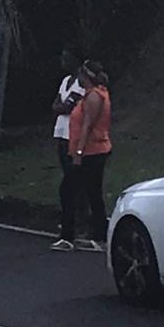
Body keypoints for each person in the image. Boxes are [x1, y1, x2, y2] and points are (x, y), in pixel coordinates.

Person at [50, 60, 111, 252]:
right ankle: (99, 235)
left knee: (68, 190)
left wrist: (78, 152)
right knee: (92, 191)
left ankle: (68, 235)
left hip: (90, 152)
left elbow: (87, 127)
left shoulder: (93, 97)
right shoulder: (93, 95)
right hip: (93, 150)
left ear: (87, 77)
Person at [52, 47, 85, 211]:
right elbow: (57, 105)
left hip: (74, 134)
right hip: (61, 133)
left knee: (74, 176)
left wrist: (62, 107)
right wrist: (62, 106)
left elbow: (68, 107)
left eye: (66, 58)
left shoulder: (82, 83)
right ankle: (71, 210)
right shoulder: (66, 81)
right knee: (66, 172)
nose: (63, 62)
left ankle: (79, 210)